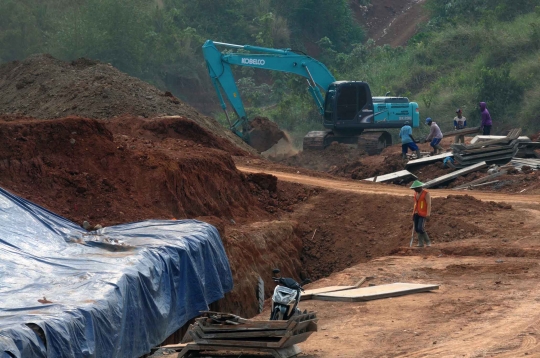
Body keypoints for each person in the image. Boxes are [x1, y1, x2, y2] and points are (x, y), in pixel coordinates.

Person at [410, 180, 432, 247]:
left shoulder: (426, 193)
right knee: (417, 229)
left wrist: (428, 214)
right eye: (414, 189)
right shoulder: (416, 194)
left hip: (423, 213)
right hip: (417, 213)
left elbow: (429, 204)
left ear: (420, 187)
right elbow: (416, 204)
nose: (415, 190)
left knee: (420, 228)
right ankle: (421, 243)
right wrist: (413, 213)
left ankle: (428, 242)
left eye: (415, 188)